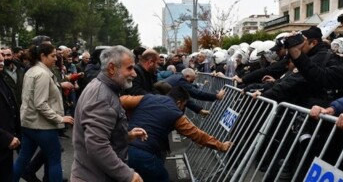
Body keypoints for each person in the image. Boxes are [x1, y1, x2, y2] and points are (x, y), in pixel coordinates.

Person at [120, 86, 232, 182]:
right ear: (179, 103)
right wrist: (221, 146)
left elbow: (121, 100)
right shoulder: (175, 112)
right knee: (161, 177)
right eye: (183, 105)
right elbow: (198, 134)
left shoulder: (147, 98)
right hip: (144, 155)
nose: (183, 109)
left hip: (122, 148)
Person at [71, 45, 146, 182]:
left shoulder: (104, 88)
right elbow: (97, 145)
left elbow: (102, 135)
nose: (134, 74)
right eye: (129, 68)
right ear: (112, 68)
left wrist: (126, 136)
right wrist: (128, 175)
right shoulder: (102, 97)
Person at [13, 43, 74, 182]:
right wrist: (60, 118)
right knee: (54, 160)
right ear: (42, 56)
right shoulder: (42, 74)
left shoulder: (32, 71)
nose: (55, 59)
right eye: (52, 56)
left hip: (29, 124)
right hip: (42, 126)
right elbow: (40, 104)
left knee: (23, 159)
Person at [0, 49, 21, 182]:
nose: (2, 60)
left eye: (2, 58)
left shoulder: (3, 78)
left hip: (6, 145)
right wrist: (6, 138)